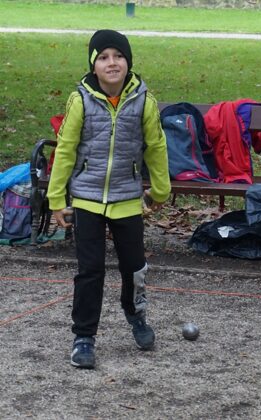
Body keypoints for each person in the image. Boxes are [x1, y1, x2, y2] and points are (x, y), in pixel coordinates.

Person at [47, 29, 171, 369]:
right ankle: (84, 336)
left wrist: (160, 190)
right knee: (90, 270)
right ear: (94, 65)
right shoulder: (80, 99)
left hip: (127, 198)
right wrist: (56, 198)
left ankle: (136, 315)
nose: (111, 63)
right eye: (103, 57)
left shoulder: (144, 100)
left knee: (134, 268)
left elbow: (156, 146)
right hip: (87, 199)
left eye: (118, 56)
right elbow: (66, 149)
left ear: (128, 62)